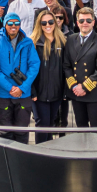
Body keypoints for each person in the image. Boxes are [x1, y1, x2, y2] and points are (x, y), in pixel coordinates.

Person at [0, 13, 38, 143]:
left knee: (22, 132)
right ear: (5, 25)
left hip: (23, 94)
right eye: (10, 23)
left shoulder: (28, 43)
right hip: (3, 95)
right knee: (5, 133)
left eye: (16, 23)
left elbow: (34, 65)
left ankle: (21, 160)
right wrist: (10, 87)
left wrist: (23, 87)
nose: (13, 26)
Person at [64, 7, 97, 128]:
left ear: (93, 22)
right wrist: (74, 86)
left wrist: (84, 87)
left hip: (95, 93)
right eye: (82, 20)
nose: (85, 23)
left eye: (88, 20)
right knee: (81, 128)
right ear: (77, 22)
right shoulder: (70, 39)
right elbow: (66, 65)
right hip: (77, 93)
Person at [29, 9, 66, 144]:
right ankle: (40, 154)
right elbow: (28, 69)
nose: (47, 25)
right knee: (42, 124)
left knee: (50, 124)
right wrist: (32, 90)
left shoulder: (62, 41)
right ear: (39, 24)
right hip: (39, 93)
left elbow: (64, 68)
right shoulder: (33, 42)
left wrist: (64, 91)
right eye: (44, 23)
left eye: (50, 21)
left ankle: (48, 153)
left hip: (56, 92)